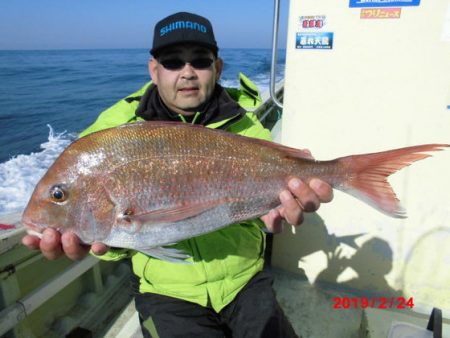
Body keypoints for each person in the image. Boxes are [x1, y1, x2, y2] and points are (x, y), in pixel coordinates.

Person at [22, 12, 333, 338]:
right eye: (172, 62)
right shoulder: (111, 132)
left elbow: (260, 205)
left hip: (245, 278)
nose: (187, 73)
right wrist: (101, 242)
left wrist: (274, 210)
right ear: (154, 70)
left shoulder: (246, 126)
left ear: (218, 68)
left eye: (200, 61)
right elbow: (118, 236)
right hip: (166, 291)